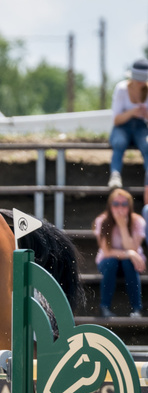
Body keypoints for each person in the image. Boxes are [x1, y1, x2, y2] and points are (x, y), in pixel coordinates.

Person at [93, 188, 146, 318]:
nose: (120, 208)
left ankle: (137, 309)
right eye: (116, 204)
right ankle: (104, 307)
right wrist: (129, 253)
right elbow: (107, 251)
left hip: (131, 265)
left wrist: (122, 226)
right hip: (108, 264)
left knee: (128, 262)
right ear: (110, 206)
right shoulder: (102, 221)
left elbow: (133, 248)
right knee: (111, 262)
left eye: (124, 204)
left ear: (130, 206)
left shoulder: (138, 221)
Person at [107, 58, 148, 191]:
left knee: (147, 146)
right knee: (119, 142)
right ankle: (115, 175)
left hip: (141, 127)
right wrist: (133, 112)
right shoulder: (121, 89)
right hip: (123, 126)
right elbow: (116, 120)